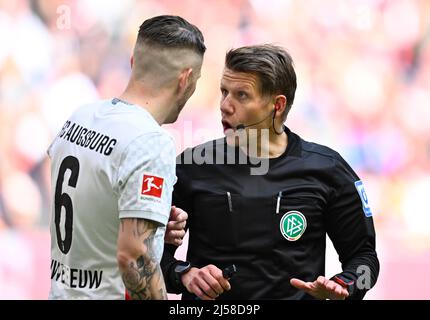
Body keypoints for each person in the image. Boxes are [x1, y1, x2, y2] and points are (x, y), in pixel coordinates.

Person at [161, 44, 379, 300]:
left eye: (241, 95)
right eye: (224, 92)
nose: (225, 105)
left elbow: (365, 259)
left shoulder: (327, 169)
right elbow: (144, 256)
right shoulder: (191, 167)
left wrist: (345, 285)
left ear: (277, 105)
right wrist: (183, 274)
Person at [47, 15, 205, 300]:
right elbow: (134, 257)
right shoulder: (150, 142)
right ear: (185, 80)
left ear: (134, 63)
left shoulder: (80, 117)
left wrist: (152, 228)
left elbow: (87, 209)